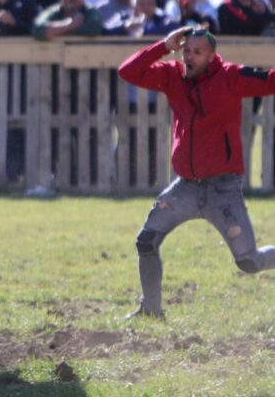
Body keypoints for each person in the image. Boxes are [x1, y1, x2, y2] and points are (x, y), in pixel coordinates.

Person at [118, 25, 275, 319]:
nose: (189, 57)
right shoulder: (171, 76)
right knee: (146, 241)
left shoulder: (231, 76)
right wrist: (162, 46)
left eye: (197, 52)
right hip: (185, 187)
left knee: (249, 263)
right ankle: (150, 310)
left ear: (212, 55)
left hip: (223, 189)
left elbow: (269, 81)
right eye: (186, 50)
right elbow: (128, 72)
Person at [32, 0, 102, 40]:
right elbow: (38, 29)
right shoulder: (54, 11)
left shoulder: (90, 11)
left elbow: (93, 29)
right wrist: (69, 25)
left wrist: (55, 31)